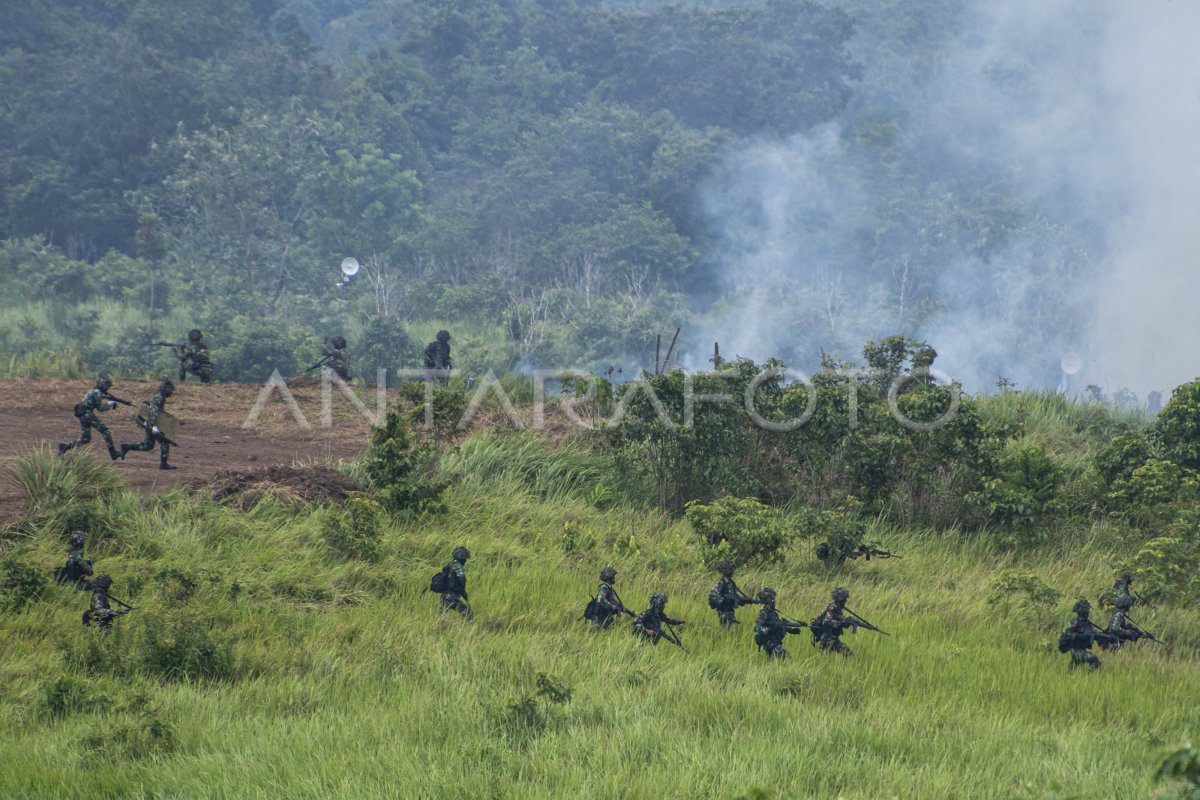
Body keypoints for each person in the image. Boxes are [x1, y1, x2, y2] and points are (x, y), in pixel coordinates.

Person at [58, 375, 121, 460]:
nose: (107, 389)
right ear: (104, 386)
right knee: (105, 431)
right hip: (87, 413)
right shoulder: (97, 393)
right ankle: (113, 453)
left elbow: (98, 400)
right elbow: (101, 408)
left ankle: (65, 446)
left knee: (85, 439)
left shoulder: (93, 391)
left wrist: (110, 401)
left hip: (82, 414)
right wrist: (109, 404)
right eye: (107, 387)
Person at [119, 379, 176, 470]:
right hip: (151, 423)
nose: (171, 392)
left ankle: (126, 447)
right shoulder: (159, 399)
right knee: (164, 441)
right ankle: (163, 464)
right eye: (170, 390)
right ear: (165, 390)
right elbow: (153, 414)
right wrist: (154, 428)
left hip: (148, 423)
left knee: (147, 446)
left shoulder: (159, 397)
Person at [1059, 599, 1114, 670]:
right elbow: (1066, 633)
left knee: (1072, 668)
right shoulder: (1074, 622)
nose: (1088, 612)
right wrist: (1078, 636)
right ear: (1083, 612)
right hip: (1075, 650)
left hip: (1082, 649)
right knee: (1094, 660)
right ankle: (1088, 675)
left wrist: (1103, 637)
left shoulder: (1087, 623)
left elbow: (1092, 633)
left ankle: (1068, 676)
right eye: (1087, 610)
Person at [752, 588, 805, 659]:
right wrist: (769, 629)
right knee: (785, 657)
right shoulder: (764, 613)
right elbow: (756, 627)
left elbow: (779, 625)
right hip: (769, 642)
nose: (775, 602)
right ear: (770, 601)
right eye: (773, 600)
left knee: (774, 661)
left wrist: (791, 630)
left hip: (775, 641)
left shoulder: (773, 613)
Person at [708, 560, 757, 629]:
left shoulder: (732, 583)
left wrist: (747, 600)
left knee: (732, 629)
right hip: (723, 611)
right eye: (732, 570)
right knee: (729, 629)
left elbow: (736, 596)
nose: (733, 572)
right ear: (728, 571)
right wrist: (724, 599)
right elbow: (712, 594)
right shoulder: (721, 583)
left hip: (730, 611)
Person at [812, 586, 857, 656]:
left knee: (848, 654)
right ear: (840, 600)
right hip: (827, 639)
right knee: (848, 654)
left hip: (833, 639)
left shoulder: (838, 610)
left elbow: (841, 623)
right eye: (844, 600)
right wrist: (840, 623)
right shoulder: (832, 608)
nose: (845, 602)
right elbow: (826, 621)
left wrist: (848, 623)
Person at [439, 546, 471, 618]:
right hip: (451, 597)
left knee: (441, 617)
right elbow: (462, 577)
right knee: (468, 612)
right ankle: (471, 628)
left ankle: (439, 627)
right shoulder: (458, 566)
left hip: (443, 596)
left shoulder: (450, 564)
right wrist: (462, 589)